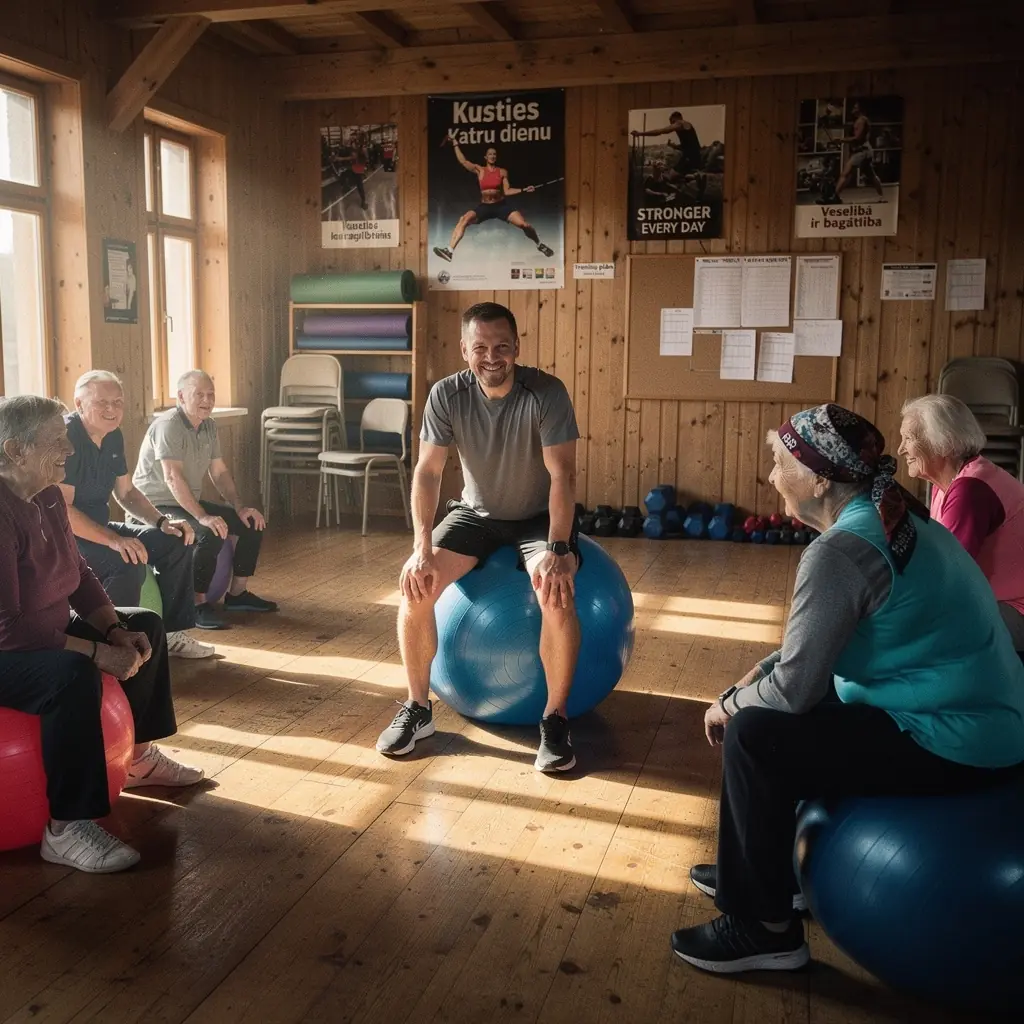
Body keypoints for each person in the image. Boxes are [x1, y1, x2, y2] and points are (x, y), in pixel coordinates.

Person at [670, 404, 1024, 974]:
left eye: (779, 464)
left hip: (959, 737)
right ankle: (767, 876)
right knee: (791, 704)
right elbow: (820, 642)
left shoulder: (840, 551)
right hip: (981, 710)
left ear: (818, 479)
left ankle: (763, 928)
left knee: (757, 736)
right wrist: (757, 674)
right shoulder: (892, 513)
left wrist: (730, 704)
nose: (770, 478)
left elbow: (794, 691)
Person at [0, 396, 204, 873]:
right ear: (14, 449)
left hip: (42, 629)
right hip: (6, 646)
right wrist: (94, 653)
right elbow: (9, 630)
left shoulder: (48, 494)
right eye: (55, 440)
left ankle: (137, 757)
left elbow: (79, 572)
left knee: (145, 625)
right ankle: (66, 828)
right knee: (72, 675)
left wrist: (113, 629)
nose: (68, 449)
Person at [376, 302, 581, 772]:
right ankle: (418, 709)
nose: (492, 357)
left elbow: (562, 475)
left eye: (502, 347)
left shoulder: (546, 393)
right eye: (481, 348)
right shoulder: (447, 394)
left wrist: (558, 548)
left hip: (536, 517)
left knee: (555, 594)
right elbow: (428, 472)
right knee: (415, 586)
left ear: (516, 348)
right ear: (465, 350)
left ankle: (555, 720)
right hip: (476, 512)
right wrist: (420, 548)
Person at [60, 371, 213, 660]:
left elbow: (127, 492)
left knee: (177, 540)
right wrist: (115, 541)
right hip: (67, 538)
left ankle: (170, 634)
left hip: (101, 527)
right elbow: (64, 513)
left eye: (117, 402)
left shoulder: (113, 435)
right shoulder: (68, 438)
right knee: (125, 561)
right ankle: (115, 644)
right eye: (102, 402)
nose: (111, 409)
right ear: (79, 403)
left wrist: (162, 522)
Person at [132, 370, 277, 630]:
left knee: (250, 523)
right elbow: (172, 477)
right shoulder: (169, 425)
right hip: (153, 506)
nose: (207, 400)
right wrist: (202, 517)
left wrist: (240, 507)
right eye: (199, 394)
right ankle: (196, 605)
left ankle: (237, 595)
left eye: (211, 394)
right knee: (209, 533)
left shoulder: (208, 425)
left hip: (183, 502)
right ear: (180, 396)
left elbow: (219, 472)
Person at [899, 393, 1024, 650]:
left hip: (1015, 608)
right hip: (991, 601)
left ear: (942, 442)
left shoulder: (970, 490)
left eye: (908, 438)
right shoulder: (948, 483)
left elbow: (948, 575)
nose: (900, 449)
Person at [433, 136, 555, 263]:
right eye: (489, 154)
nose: (492, 155)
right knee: (464, 219)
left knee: (524, 224)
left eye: (494, 154)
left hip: (501, 206)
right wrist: (455, 144)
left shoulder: (502, 172)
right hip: (485, 207)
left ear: (496, 157)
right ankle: (449, 251)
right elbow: (463, 161)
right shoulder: (479, 170)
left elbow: (507, 191)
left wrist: (524, 189)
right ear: (485, 157)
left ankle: (539, 244)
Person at [631, 111, 707, 197]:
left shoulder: (680, 123)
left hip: (690, 157)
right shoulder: (686, 127)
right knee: (673, 176)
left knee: (669, 177)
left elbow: (661, 131)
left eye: (671, 122)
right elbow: (689, 145)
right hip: (691, 156)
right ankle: (687, 182)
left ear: (674, 119)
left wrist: (640, 134)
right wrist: (674, 146)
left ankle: (689, 182)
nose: (671, 124)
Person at [828, 100, 885, 203]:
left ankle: (835, 196)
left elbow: (858, 138)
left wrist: (841, 140)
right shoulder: (859, 120)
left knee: (845, 173)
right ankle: (882, 196)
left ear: (860, 109)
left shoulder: (862, 121)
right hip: (863, 151)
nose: (853, 110)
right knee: (871, 175)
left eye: (855, 108)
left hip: (862, 151)